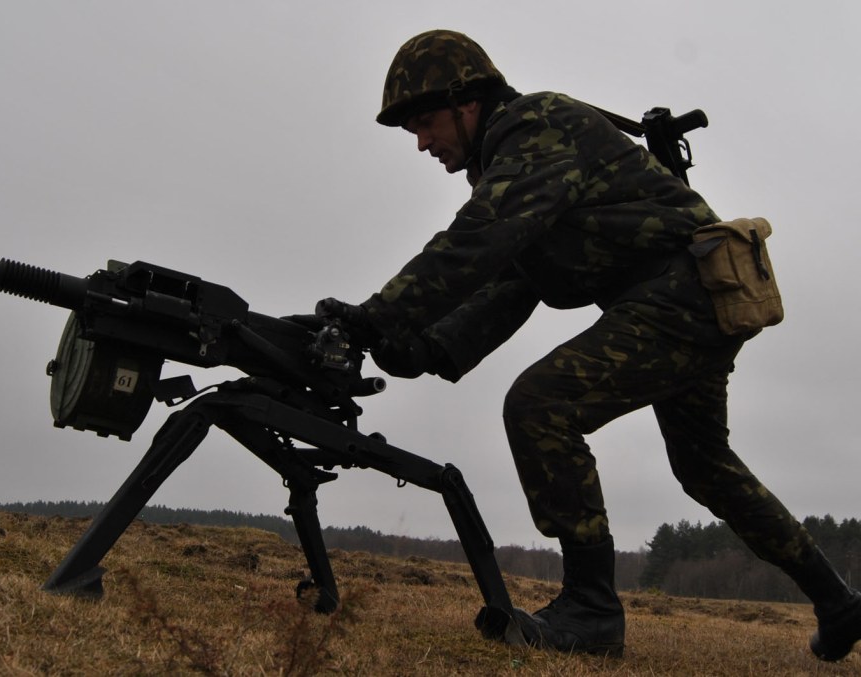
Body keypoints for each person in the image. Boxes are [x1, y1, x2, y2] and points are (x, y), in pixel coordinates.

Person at [323, 29, 861, 659]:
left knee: (541, 406)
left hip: (681, 298)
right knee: (705, 466)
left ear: (466, 101)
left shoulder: (535, 127)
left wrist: (372, 318)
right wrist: (425, 347)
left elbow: (480, 240)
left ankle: (592, 609)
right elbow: (513, 280)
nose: (422, 142)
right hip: (692, 303)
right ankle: (839, 603)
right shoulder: (515, 158)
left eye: (425, 122)